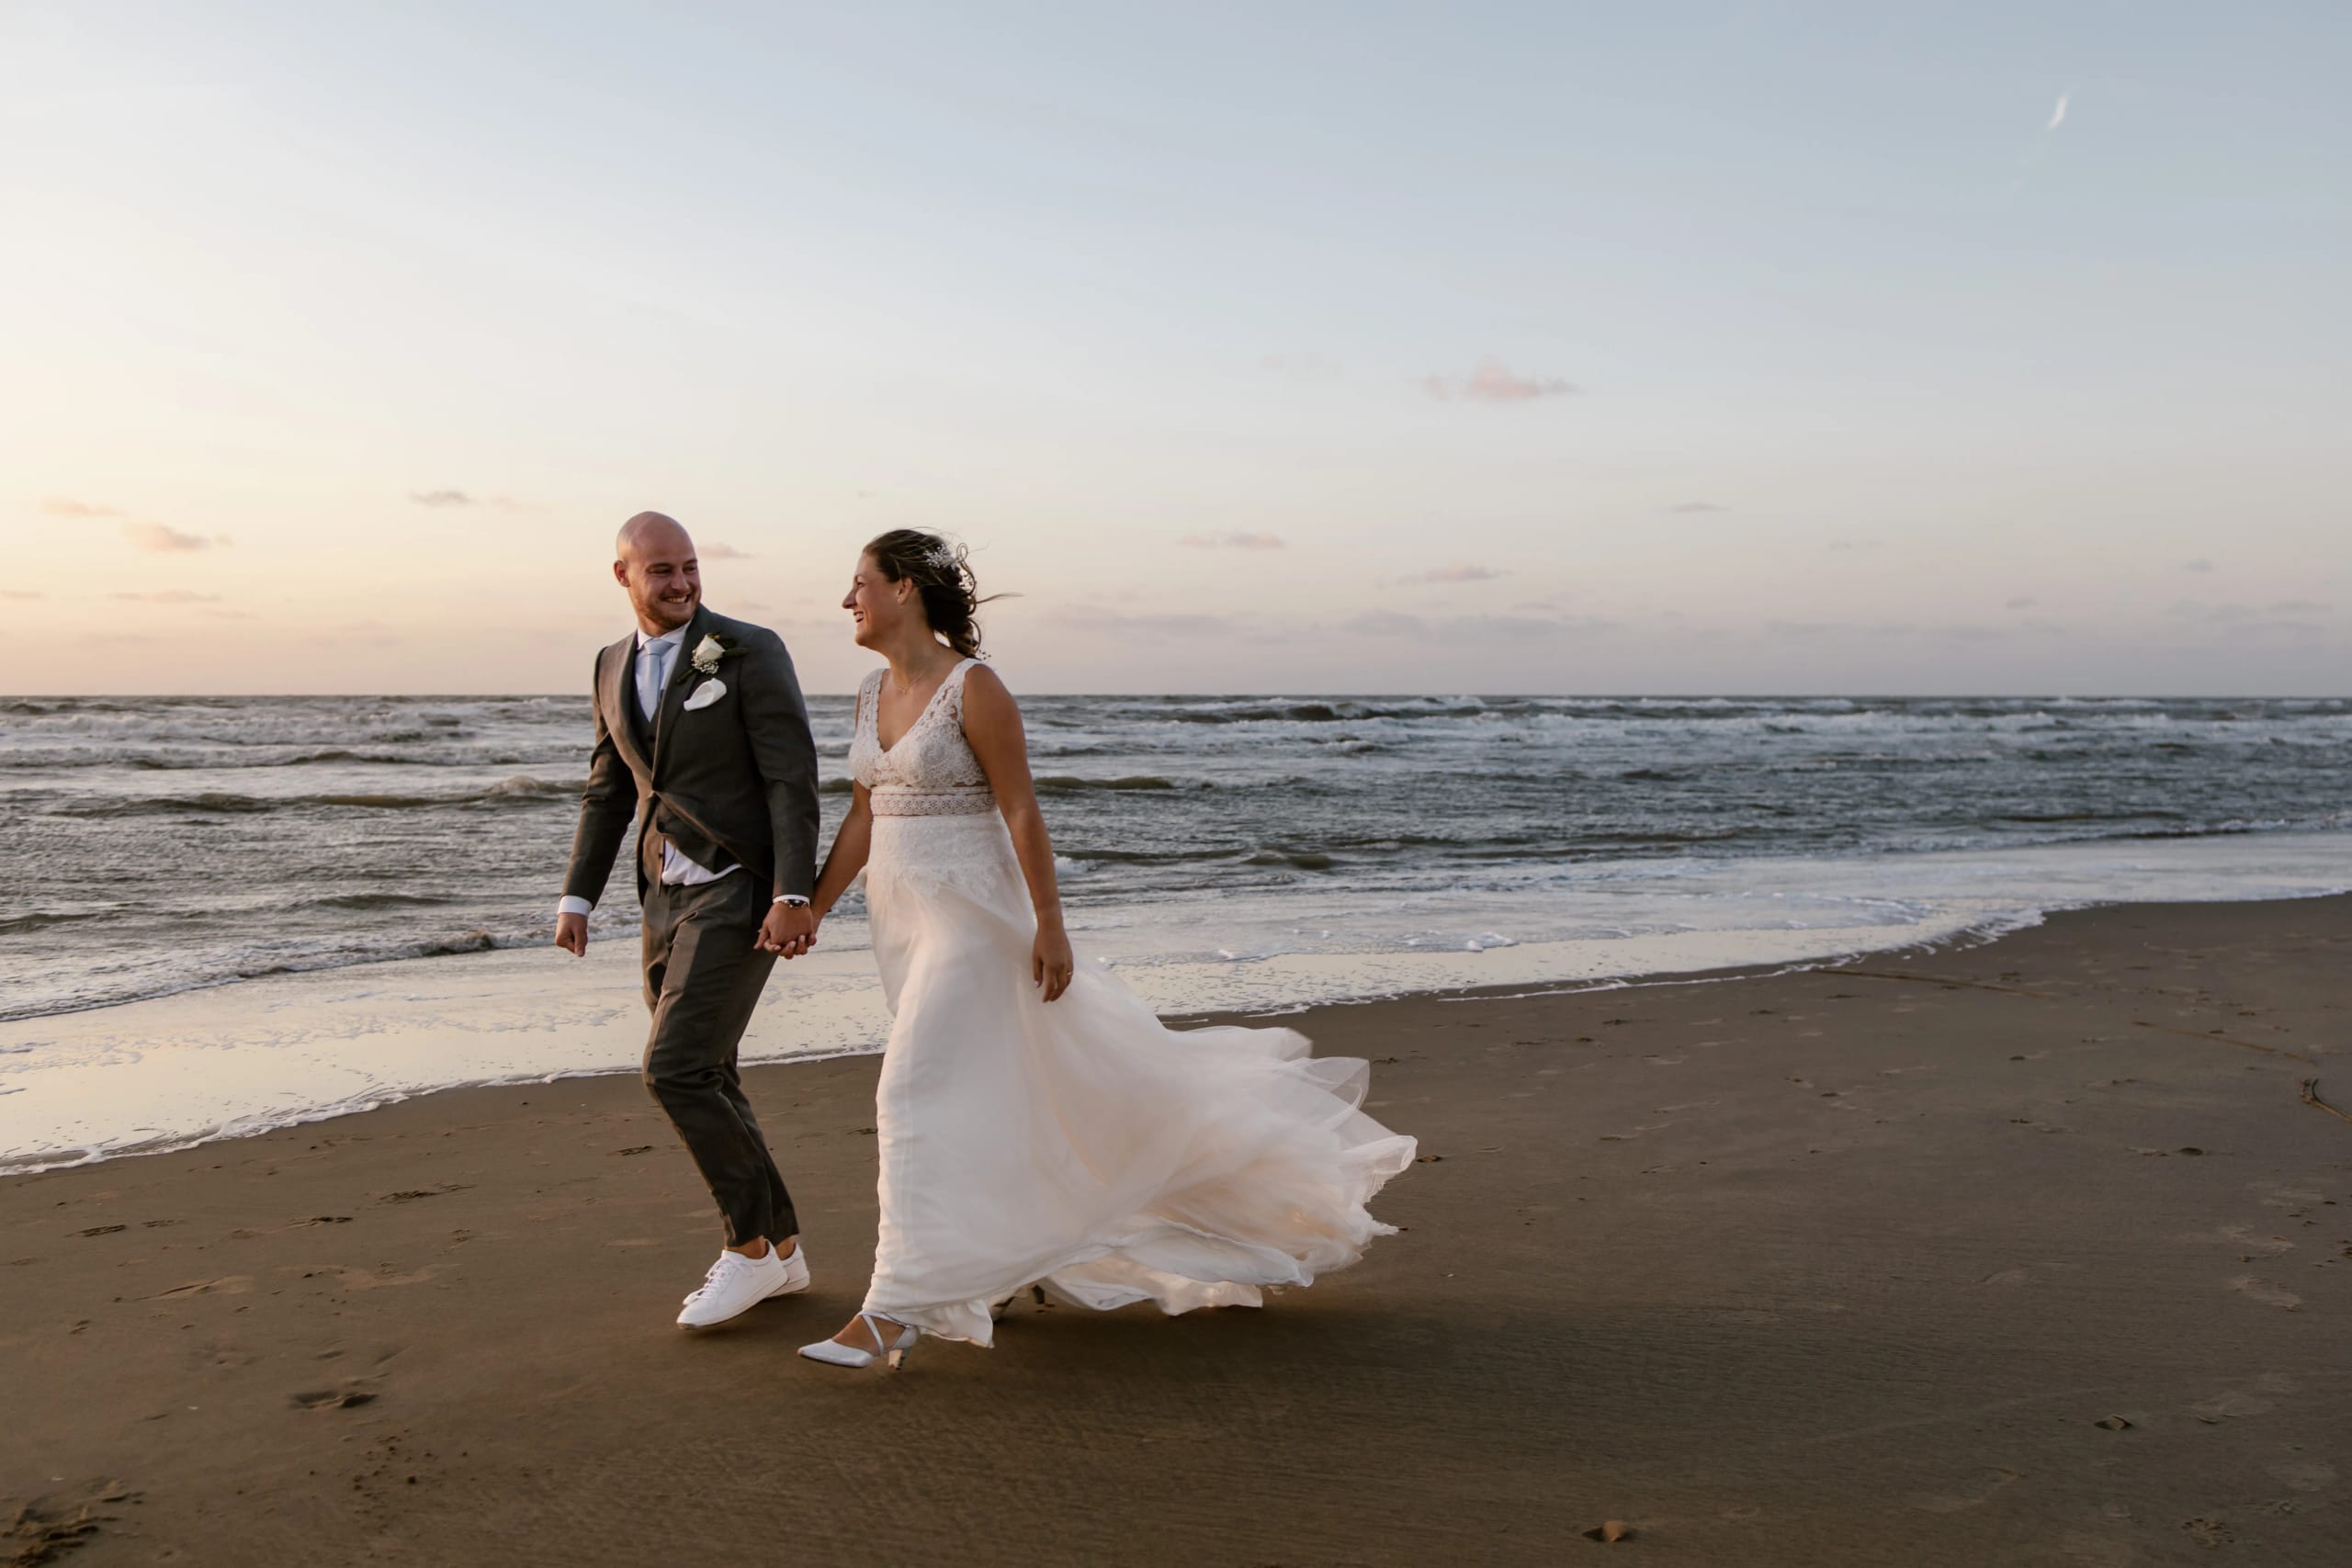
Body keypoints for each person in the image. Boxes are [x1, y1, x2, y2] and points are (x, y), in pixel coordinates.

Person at [795, 529, 1415, 1371]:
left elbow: (1020, 808)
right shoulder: (869, 693)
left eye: (860, 582)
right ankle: (995, 1264)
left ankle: (894, 1307)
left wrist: (1050, 922)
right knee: (989, 1098)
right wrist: (813, 907)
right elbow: (865, 816)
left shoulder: (975, 688)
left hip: (973, 924)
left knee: (910, 1092)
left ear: (904, 588)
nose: (848, 599)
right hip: (899, 920)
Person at [553, 512, 825, 1329]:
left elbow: (790, 777)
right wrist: (577, 897)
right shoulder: (609, 664)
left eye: (690, 566)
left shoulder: (746, 649)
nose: (681, 583)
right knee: (710, 1070)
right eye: (662, 570)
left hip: (739, 886)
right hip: (662, 896)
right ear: (623, 575)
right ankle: (783, 1249)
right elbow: (610, 786)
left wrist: (793, 892)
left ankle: (747, 1247)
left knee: (674, 1069)